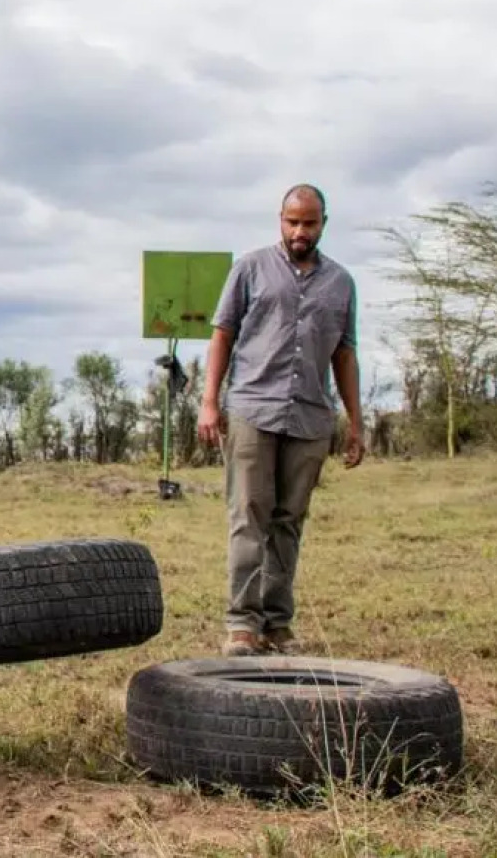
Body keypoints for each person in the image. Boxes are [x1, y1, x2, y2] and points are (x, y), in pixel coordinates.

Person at [198, 184, 364, 658]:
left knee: (288, 521)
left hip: (310, 417)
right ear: (281, 220)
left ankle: (276, 624)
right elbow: (222, 335)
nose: (299, 231)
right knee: (249, 515)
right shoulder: (250, 268)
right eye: (292, 222)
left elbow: (345, 354)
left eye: (309, 223)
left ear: (323, 224)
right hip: (253, 408)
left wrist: (355, 422)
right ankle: (242, 624)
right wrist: (209, 402)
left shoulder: (341, 283)